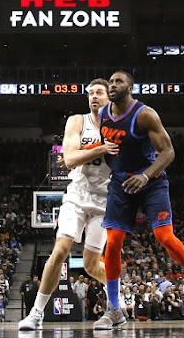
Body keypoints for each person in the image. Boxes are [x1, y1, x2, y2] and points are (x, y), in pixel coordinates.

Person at [93, 70, 184, 330]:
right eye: (111, 81)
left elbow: (168, 151)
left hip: (152, 181)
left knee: (164, 236)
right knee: (112, 244)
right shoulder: (103, 113)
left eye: (119, 82)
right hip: (121, 183)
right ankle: (113, 308)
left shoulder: (145, 114)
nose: (113, 85)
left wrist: (146, 176)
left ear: (130, 88)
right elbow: (107, 145)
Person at [19, 78, 117, 330]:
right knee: (60, 250)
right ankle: (36, 313)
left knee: (91, 265)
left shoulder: (120, 124)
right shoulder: (77, 120)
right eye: (90, 93)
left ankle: (118, 302)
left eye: (99, 93)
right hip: (77, 195)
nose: (93, 97)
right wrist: (102, 148)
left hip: (105, 199)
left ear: (110, 97)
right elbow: (71, 158)